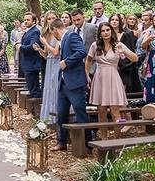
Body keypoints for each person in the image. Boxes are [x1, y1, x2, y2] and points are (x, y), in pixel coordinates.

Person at [86, 22, 138, 136]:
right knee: (101, 111)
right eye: (103, 31)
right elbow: (88, 60)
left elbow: (135, 58)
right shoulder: (95, 45)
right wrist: (87, 75)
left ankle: (117, 138)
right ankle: (104, 138)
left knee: (115, 110)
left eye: (107, 30)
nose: (105, 33)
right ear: (100, 33)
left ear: (111, 31)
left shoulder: (118, 45)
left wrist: (124, 52)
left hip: (113, 76)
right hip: (99, 77)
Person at [54, 18, 92, 151]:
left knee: (80, 113)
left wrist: (66, 62)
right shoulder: (64, 39)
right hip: (64, 83)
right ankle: (61, 142)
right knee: (61, 113)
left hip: (75, 83)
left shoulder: (71, 36)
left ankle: (87, 143)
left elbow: (82, 52)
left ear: (55, 29)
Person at [39, 19, 65, 124]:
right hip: (49, 63)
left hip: (57, 62)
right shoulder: (47, 34)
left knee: (55, 87)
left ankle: (56, 117)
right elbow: (46, 54)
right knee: (49, 88)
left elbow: (55, 52)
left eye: (52, 18)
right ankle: (48, 116)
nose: (50, 20)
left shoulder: (59, 35)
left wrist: (44, 42)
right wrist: (40, 50)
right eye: (48, 19)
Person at [110, 13, 139, 93]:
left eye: (116, 20)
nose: (114, 22)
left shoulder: (127, 34)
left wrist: (122, 65)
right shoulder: (106, 36)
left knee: (122, 91)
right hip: (110, 67)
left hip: (124, 68)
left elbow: (131, 51)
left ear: (120, 22)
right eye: (112, 20)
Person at [20, 12, 44, 99]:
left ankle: (37, 111)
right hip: (27, 64)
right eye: (25, 20)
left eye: (28, 20)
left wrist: (20, 47)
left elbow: (33, 46)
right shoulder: (28, 31)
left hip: (32, 65)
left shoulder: (35, 32)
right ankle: (33, 110)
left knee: (35, 90)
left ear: (34, 21)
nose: (25, 21)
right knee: (31, 88)